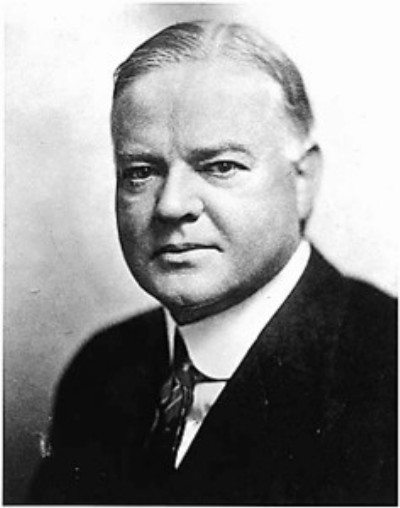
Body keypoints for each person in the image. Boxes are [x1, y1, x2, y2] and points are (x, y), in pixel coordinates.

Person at [29, 20, 397, 505]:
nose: (170, 205)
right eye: (140, 172)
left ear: (303, 180)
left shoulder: (385, 371)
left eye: (220, 166)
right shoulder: (102, 368)